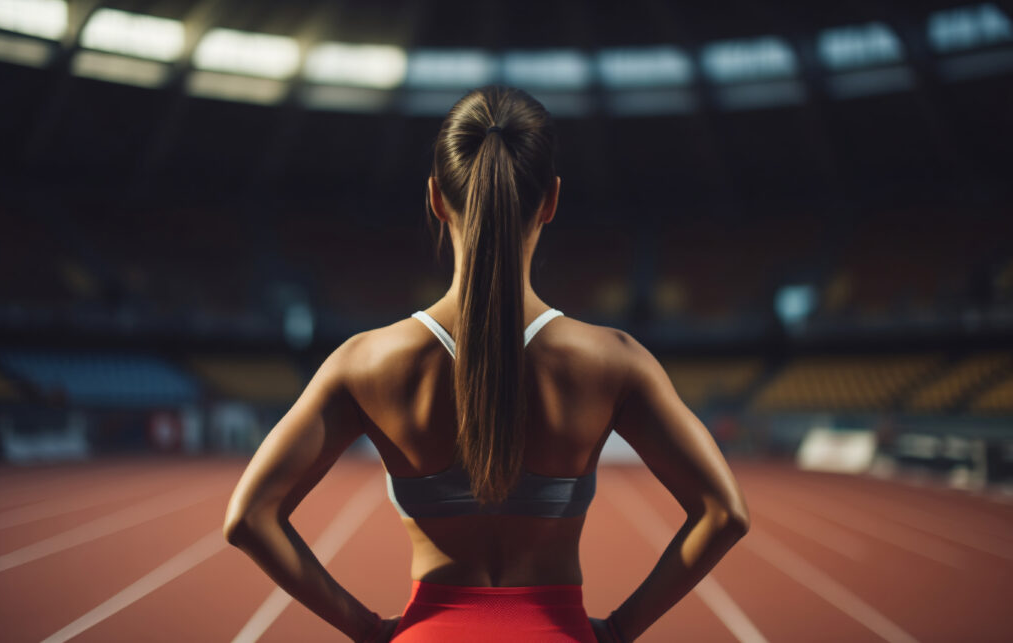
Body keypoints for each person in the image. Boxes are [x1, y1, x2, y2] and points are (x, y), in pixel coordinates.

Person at [223, 85, 750, 642]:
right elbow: (725, 513)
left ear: (434, 197)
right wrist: (620, 631)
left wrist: (368, 630)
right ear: (551, 200)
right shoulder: (615, 362)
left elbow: (249, 517)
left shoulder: (363, 363)